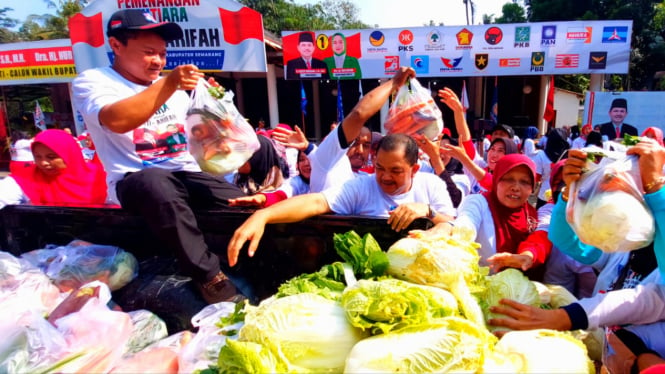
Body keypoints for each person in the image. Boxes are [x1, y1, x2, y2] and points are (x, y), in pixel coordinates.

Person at [71, 9, 248, 304]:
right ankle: (210, 279)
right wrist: (168, 84)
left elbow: (203, 139)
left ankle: (251, 264)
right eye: (149, 52)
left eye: (163, 54)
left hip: (184, 175)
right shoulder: (94, 82)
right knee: (157, 182)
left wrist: (216, 114)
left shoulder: (178, 91)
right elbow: (116, 120)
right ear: (116, 46)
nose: (159, 61)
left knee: (237, 199)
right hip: (135, 179)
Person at [487, 142, 665, 369]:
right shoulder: (624, 248)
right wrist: (568, 192)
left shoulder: (657, 265)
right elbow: (566, 241)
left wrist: (657, 189)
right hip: (607, 356)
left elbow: (645, 300)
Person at [227, 133, 457, 267]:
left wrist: (428, 212)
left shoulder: (431, 185)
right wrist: (265, 214)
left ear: (414, 169)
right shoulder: (361, 186)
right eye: (379, 168)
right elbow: (316, 202)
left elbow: (453, 226)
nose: (385, 177)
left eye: (395, 171)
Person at [422, 154, 547, 274]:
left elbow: (539, 242)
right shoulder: (478, 202)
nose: (516, 187)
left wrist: (528, 256)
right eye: (508, 179)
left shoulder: (532, 214)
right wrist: (449, 226)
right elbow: (467, 221)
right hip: (483, 286)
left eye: (524, 182)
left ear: (532, 187)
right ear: (496, 179)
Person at [0, 129, 107, 209]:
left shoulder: (101, 176)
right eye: (37, 156)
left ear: (70, 154)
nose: (43, 163)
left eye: (51, 157)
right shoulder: (25, 178)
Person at [229, 149, 311, 208]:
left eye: (311, 160)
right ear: (296, 164)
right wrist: (261, 198)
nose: (306, 164)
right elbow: (281, 194)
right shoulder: (296, 182)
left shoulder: (323, 182)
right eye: (301, 160)